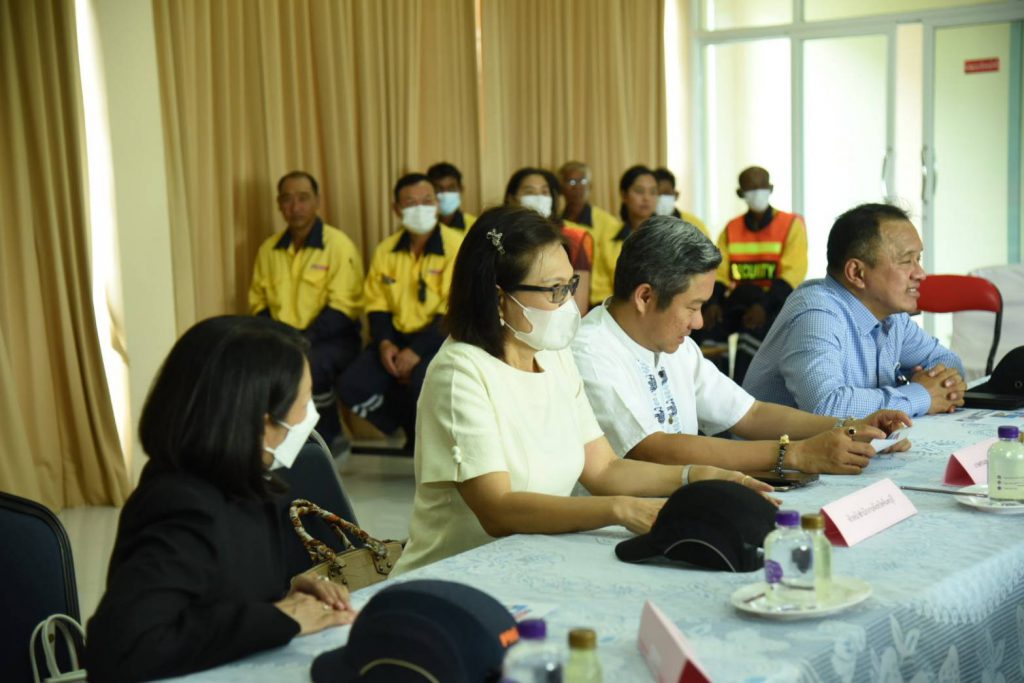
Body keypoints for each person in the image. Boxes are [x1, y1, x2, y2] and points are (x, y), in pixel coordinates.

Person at [392, 206, 774, 575]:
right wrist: (619, 509)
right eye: (554, 291)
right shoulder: (461, 372)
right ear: (498, 298)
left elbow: (604, 469)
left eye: (570, 285)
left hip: (533, 561)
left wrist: (697, 477)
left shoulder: (552, 354)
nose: (569, 304)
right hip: (455, 575)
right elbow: (498, 510)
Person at [85, 316, 355, 682]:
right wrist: (278, 617)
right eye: (304, 402)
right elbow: (124, 648)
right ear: (262, 422)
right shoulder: (181, 506)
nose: (311, 416)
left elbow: (210, 597)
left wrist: (283, 597)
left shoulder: (242, 481)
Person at [571, 215, 910, 474]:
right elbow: (652, 449)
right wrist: (794, 454)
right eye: (692, 307)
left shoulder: (671, 342)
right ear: (645, 297)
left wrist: (849, 427)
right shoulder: (591, 350)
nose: (699, 322)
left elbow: (750, 413)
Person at [743, 203, 967, 418]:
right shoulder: (817, 313)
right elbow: (826, 407)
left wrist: (934, 383)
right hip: (776, 446)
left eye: (918, 259)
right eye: (906, 261)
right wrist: (921, 394)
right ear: (856, 273)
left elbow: (948, 361)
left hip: (849, 443)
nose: (920, 274)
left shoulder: (892, 316)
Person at [337, 173, 463, 449]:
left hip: (441, 337)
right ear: (396, 209)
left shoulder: (457, 245)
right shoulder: (386, 250)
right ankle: (406, 427)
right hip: (394, 337)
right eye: (410, 203)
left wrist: (415, 352)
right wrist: (385, 343)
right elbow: (376, 304)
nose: (420, 208)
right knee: (351, 384)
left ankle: (426, 444)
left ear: (437, 204)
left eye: (427, 201)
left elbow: (454, 309)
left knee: (423, 384)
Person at [249, 171, 364, 453]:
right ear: (279, 204)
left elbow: (344, 307)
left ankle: (327, 438)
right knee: (250, 366)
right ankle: (272, 444)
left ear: (317, 201)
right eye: (287, 199)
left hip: (332, 338)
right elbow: (258, 303)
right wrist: (281, 339)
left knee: (310, 365)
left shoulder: (338, 245)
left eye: (303, 198)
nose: (295, 207)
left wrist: (301, 341)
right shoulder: (268, 249)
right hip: (282, 338)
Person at [701, 166, 808, 382]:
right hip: (740, 298)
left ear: (771, 188)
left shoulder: (790, 225)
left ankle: (746, 386)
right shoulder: (732, 228)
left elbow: (792, 275)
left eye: (761, 187)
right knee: (708, 322)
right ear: (740, 193)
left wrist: (763, 306)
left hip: (774, 303)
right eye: (751, 188)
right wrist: (713, 302)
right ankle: (714, 383)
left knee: (754, 328)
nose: (757, 192)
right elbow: (719, 271)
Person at [505, 166, 593, 312]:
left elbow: (578, 305)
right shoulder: (499, 236)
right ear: (512, 198)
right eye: (530, 192)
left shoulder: (575, 238)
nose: (539, 198)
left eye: (544, 192)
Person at [590, 165, 658, 307]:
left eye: (653, 192)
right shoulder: (608, 237)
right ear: (624, 195)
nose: (646, 198)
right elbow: (599, 289)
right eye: (639, 191)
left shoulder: (667, 236)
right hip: (616, 310)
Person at [557, 160, 622, 237]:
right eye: (571, 182)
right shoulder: (555, 221)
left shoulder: (607, 223)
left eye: (583, 181)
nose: (577, 187)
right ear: (561, 187)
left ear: (590, 186)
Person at [652, 167, 710, 238]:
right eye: (656, 193)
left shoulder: (695, 226)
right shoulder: (642, 223)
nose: (661, 198)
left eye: (666, 193)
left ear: (676, 195)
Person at [427, 161, 476, 230]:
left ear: (461, 189)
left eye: (451, 188)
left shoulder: (475, 225)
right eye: (439, 189)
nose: (445, 194)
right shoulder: (422, 227)